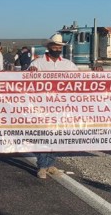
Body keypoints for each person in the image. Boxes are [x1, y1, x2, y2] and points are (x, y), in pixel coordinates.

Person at [27, 34, 79, 179]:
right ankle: (42, 165)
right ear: (48, 47)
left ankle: (51, 164)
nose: (57, 48)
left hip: (61, 107)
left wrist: (96, 73)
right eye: (54, 46)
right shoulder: (37, 63)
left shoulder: (68, 64)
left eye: (59, 46)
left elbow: (81, 80)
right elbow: (25, 82)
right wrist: (31, 74)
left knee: (56, 135)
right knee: (44, 135)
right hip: (43, 106)